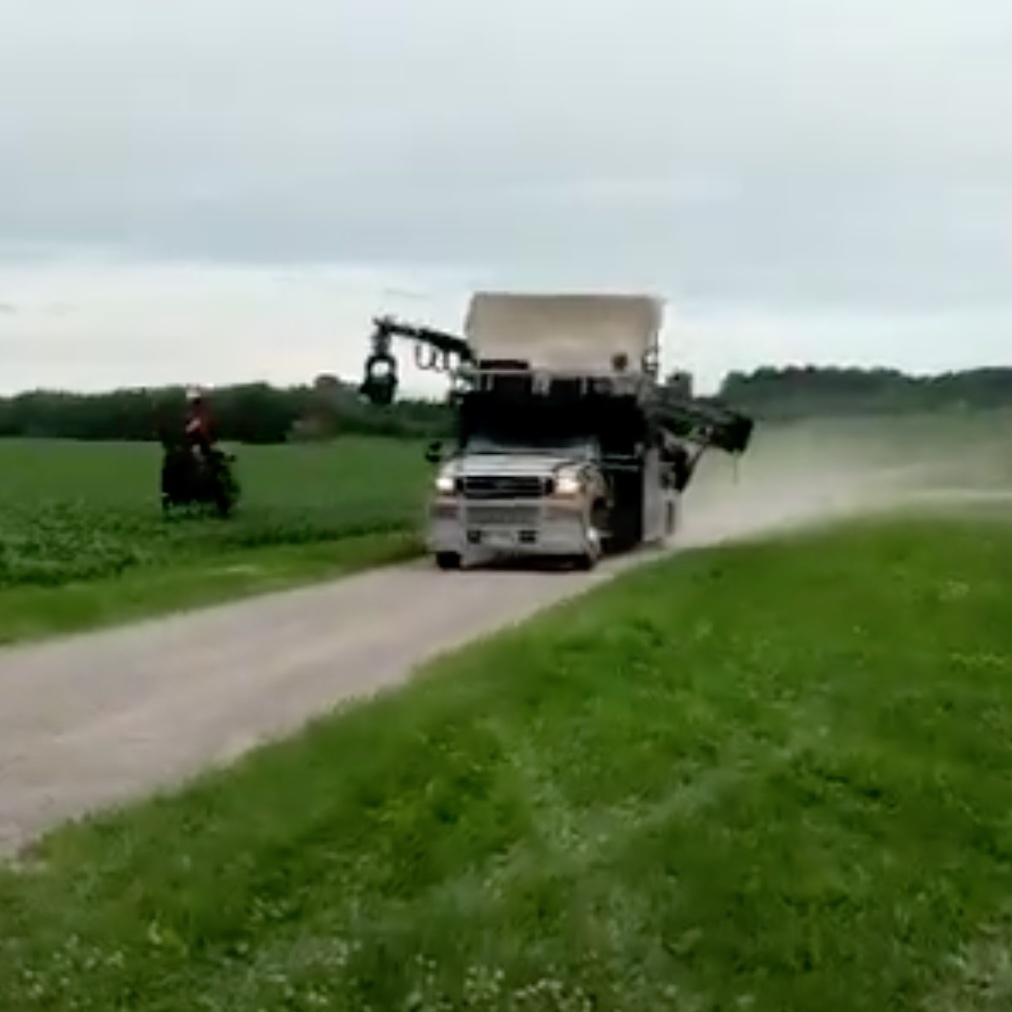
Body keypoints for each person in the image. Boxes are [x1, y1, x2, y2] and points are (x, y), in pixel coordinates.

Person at [184, 386, 216, 464]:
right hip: (196, 438)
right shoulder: (193, 412)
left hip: (201, 438)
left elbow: (202, 424)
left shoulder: (200, 411)